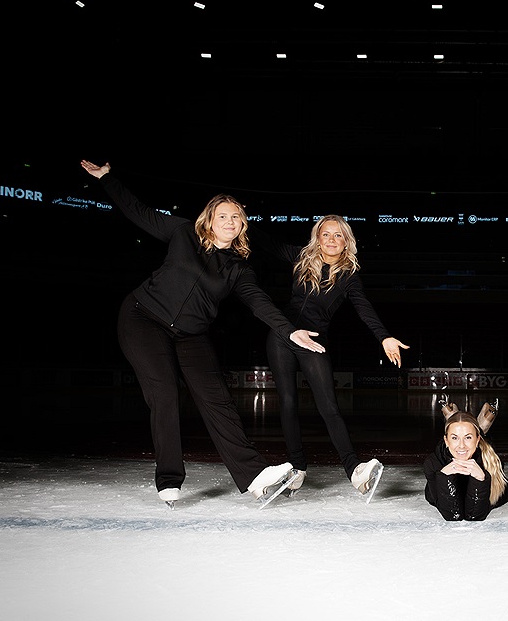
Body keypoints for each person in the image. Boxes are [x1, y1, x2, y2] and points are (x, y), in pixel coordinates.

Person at [80, 159, 326, 509]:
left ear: (243, 225)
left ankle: (254, 476)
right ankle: (169, 478)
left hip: (190, 334)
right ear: (209, 220)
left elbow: (260, 303)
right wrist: (107, 179)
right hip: (143, 318)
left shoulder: (238, 269)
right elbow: (139, 212)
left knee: (217, 399)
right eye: (222, 215)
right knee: (164, 391)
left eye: (236, 216)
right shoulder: (183, 233)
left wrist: (289, 331)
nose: (230, 221)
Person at [251, 216, 409, 501]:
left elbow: (364, 309)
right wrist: (240, 222)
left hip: (314, 341)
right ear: (318, 237)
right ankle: (297, 468)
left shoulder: (349, 276)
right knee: (287, 400)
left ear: (346, 241)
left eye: (338, 235)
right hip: (283, 335)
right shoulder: (301, 257)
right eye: (326, 234)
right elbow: (267, 242)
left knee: (329, 406)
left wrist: (384, 337)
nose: (331, 240)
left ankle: (354, 469)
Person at [423, 401, 508, 520]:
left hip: (480, 453)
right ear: (446, 441)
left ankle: (468, 425)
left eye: (468, 437)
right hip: (446, 460)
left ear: (477, 441)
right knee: (464, 433)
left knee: (470, 437)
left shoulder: (489, 460)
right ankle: (469, 425)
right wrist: (444, 476)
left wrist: (480, 478)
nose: (461, 446)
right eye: (454, 438)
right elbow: (452, 515)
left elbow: (475, 515)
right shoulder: (433, 463)